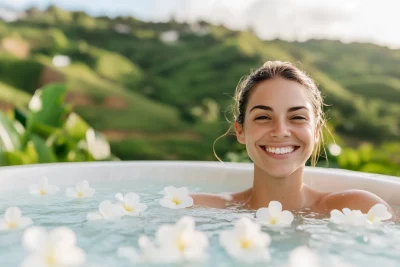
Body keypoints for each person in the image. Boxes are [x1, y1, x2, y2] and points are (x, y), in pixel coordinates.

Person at [191, 61, 394, 215]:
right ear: (240, 131)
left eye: (297, 117)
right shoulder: (195, 210)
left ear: (316, 132)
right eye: (263, 117)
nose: (280, 131)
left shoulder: (360, 210)